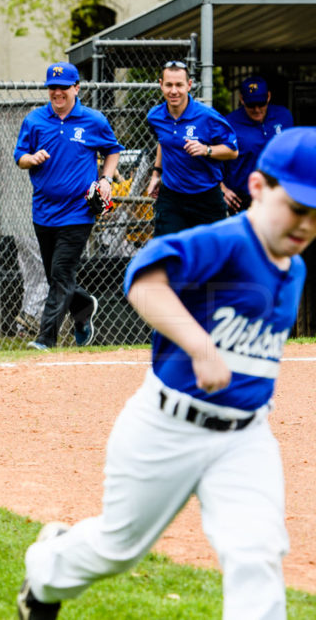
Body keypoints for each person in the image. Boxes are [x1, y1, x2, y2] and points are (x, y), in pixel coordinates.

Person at [17, 127, 316, 620]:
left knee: (257, 554)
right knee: (119, 548)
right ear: (259, 188)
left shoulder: (294, 266)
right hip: (168, 425)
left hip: (245, 437)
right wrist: (199, 347)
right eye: (296, 207)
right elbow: (143, 280)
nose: (305, 224)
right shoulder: (226, 241)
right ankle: (47, 565)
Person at [15, 62, 123, 351]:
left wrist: (106, 179)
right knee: (56, 277)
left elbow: (112, 150)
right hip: (44, 210)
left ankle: (45, 339)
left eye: (63, 87)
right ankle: (84, 306)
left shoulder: (93, 120)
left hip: (79, 211)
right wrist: (31, 158)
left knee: (61, 274)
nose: (57, 92)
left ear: (77, 88)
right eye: (53, 87)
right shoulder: (35, 120)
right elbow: (19, 157)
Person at [145, 60, 239, 236]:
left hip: (206, 196)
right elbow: (163, 142)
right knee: (168, 253)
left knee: (211, 256)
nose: (174, 91)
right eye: (169, 85)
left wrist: (207, 150)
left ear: (189, 85)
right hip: (172, 197)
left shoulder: (208, 117)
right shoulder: (155, 116)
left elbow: (233, 152)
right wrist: (156, 174)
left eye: (179, 85)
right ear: (161, 85)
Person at [223, 75, 294, 214]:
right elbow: (213, 161)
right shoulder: (229, 123)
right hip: (243, 199)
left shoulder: (284, 116)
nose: (256, 109)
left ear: (268, 97)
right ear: (241, 99)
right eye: (251, 105)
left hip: (278, 194)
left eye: (261, 103)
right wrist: (223, 190)